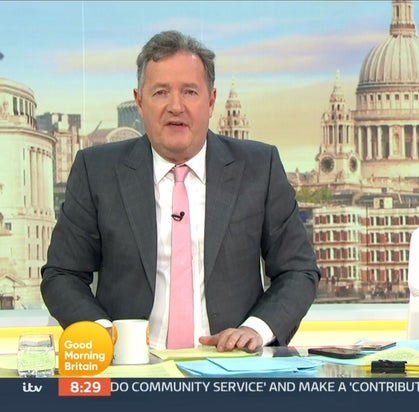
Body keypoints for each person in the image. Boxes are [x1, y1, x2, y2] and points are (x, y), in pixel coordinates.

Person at [41, 30, 320, 352]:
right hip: (130, 370)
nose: (176, 106)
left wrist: (255, 330)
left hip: (232, 367)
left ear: (211, 100)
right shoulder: (97, 170)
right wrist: (105, 335)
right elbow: (62, 274)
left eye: (190, 92)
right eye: (160, 92)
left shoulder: (259, 167)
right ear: (139, 101)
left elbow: (298, 270)